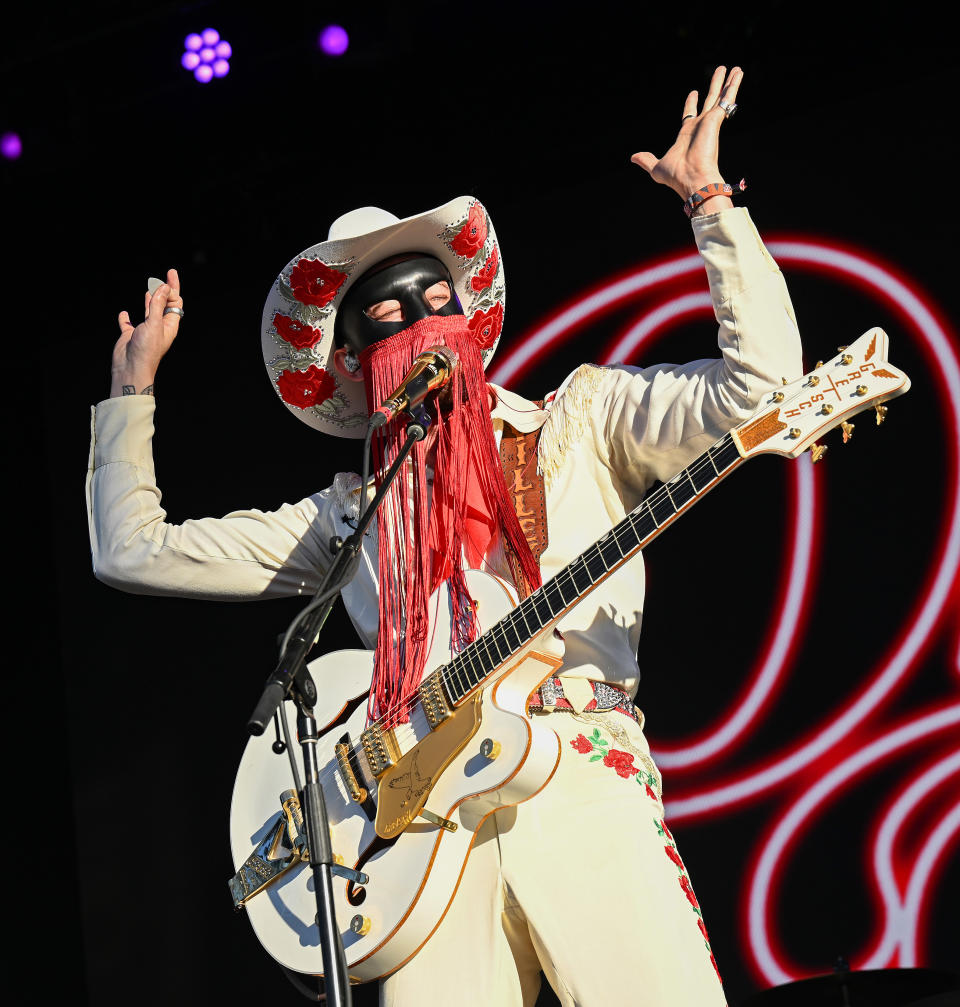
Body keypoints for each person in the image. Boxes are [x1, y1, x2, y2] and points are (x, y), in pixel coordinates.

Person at [87, 66, 802, 1006]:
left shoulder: (577, 421)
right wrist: (129, 395)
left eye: (434, 302)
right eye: (384, 316)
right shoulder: (351, 515)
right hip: (423, 844)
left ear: (469, 321)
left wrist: (709, 201)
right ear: (353, 363)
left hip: (580, 779)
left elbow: (766, 393)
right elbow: (130, 550)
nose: (419, 327)